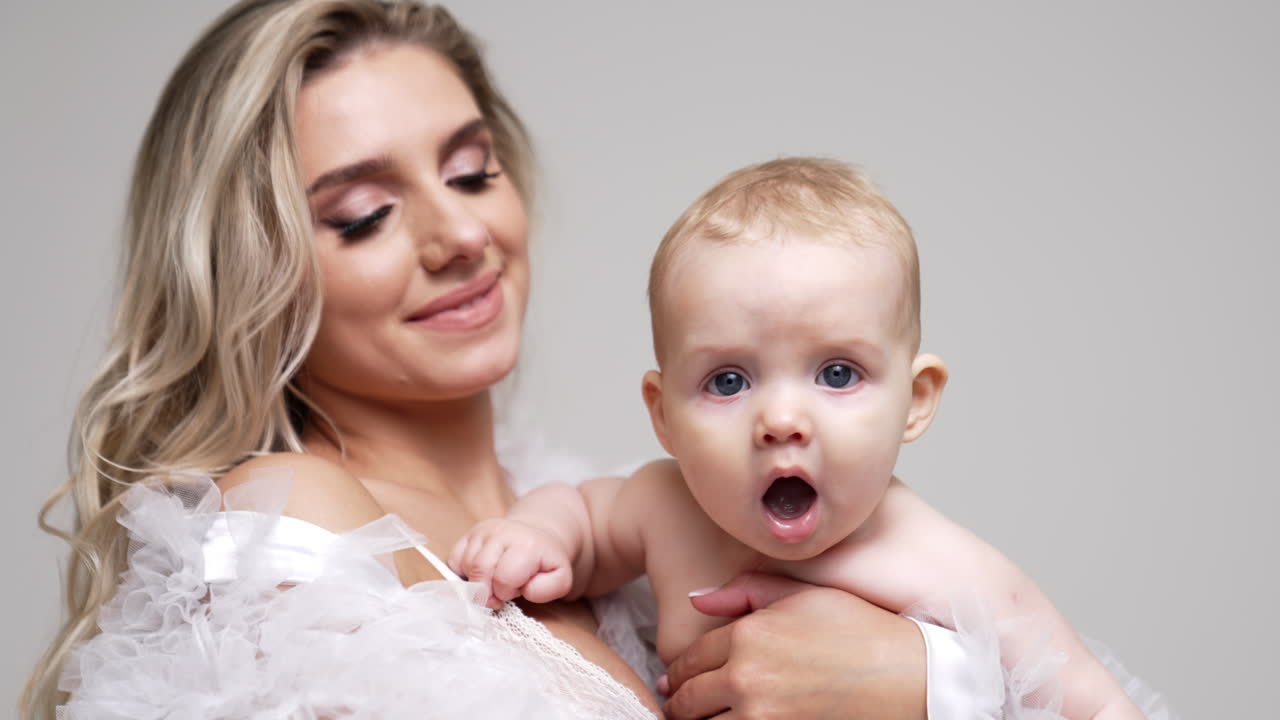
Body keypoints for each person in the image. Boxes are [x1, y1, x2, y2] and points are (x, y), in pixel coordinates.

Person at [19, 2, 1025, 719]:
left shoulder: (593, 514)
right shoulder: (286, 527)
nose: (459, 232)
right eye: (364, 215)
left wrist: (935, 686)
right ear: (253, 272)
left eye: (471, 170)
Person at [452, 158, 1162, 719]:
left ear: (915, 401)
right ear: (662, 414)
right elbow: (583, 515)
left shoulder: (936, 560)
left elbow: (1091, 703)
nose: (782, 420)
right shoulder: (664, 507)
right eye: (729, 381)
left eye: (836, 372)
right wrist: (536, 537)